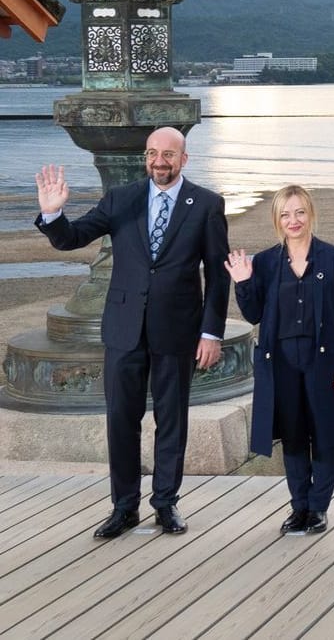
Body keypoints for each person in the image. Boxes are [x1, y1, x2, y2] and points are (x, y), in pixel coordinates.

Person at [34, 126, 229, 539]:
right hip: (123, 330)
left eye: (169, 155)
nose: (160, 161)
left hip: (178, 330)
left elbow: (217, 273)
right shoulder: (121, 199)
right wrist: (53, 215)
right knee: (121, 420)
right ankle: (123, 508)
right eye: (153, 153)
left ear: (184, 159)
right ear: (146, 156)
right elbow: (73, 238)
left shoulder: (207, 205)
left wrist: (211, 333)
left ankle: (165, 504)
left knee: (171, 420)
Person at [224, 185, 334, 534]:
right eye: (286, 214)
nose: (294, 220)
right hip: (281, 362)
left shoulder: (333, 258)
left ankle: (318, 508)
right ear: (277, 219)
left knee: (325, 435)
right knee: (293, 436)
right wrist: (243, 283)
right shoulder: (267, 262)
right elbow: (254, 313)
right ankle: (298, 506)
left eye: (299, 212)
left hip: (323, 362)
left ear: (310, 213)